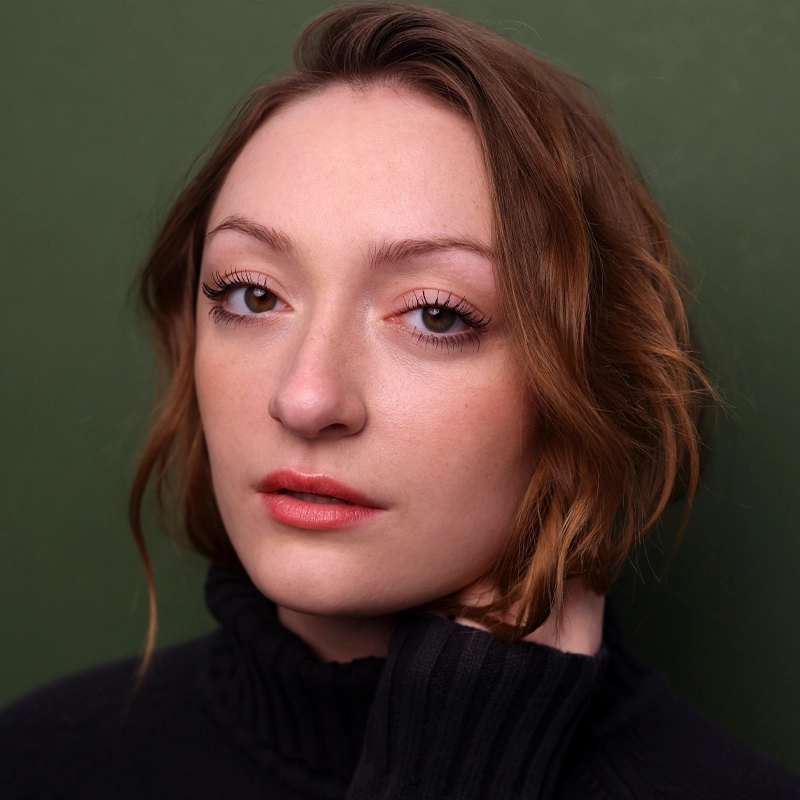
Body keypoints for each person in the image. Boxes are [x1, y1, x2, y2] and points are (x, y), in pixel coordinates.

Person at [1, 3, 798, 798]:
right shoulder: (38, 761)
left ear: (586, 383)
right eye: (251, 295)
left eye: (436, 314)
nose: (306, 398)